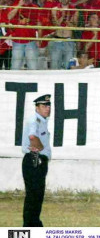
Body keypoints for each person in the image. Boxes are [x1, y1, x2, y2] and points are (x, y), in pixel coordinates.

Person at [22, 94, 51, 227]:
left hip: (38, 160)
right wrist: (40, 148)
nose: (48, 108)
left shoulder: (42, 121)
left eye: (48, 105)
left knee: (37, 196)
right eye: (44, 106)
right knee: (33, 196)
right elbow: (32, 137)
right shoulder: (35, 120)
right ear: (37, 107)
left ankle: (34, 224)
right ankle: (30, 226)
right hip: (34, 160)